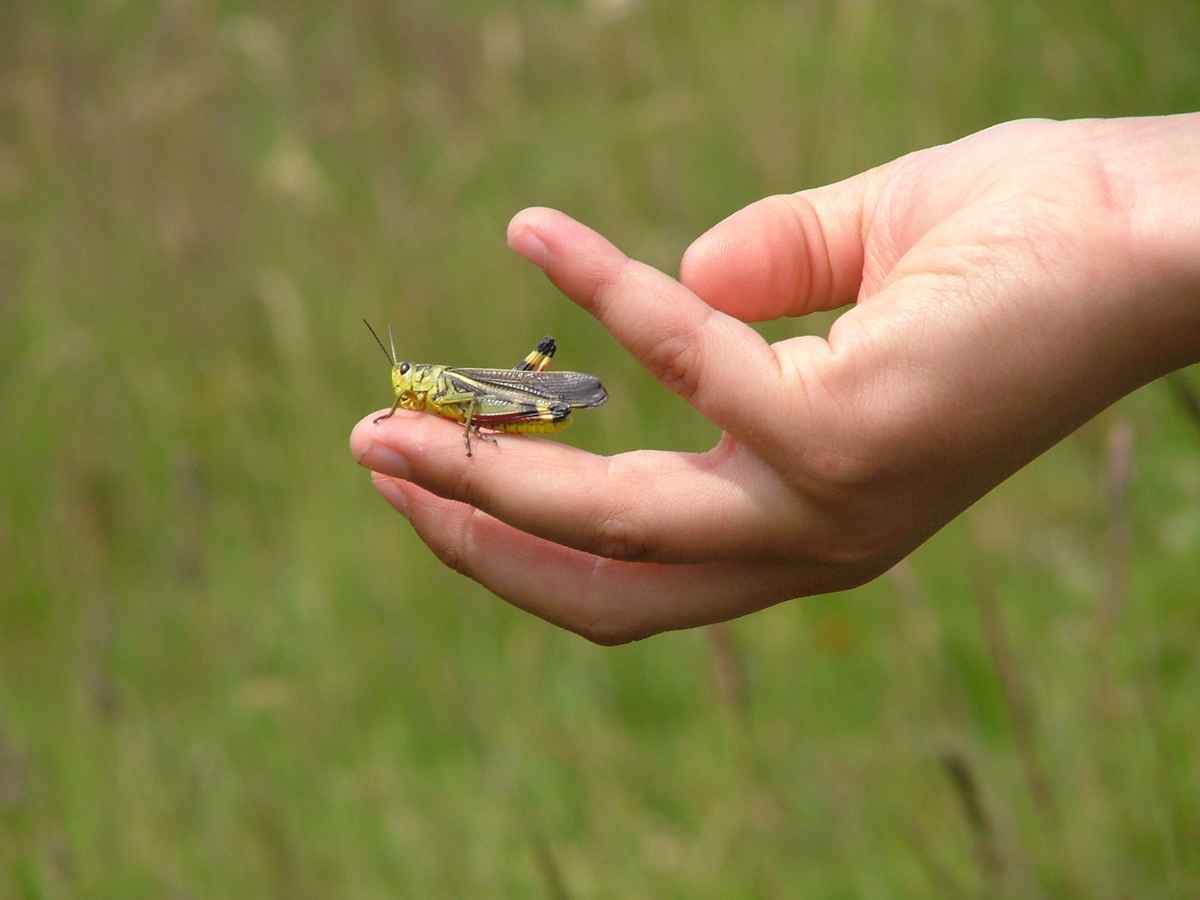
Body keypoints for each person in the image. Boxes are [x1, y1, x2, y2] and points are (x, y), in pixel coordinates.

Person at [350, 114, 1199, 644]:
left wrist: (1114, 216)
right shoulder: (416, 395)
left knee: (512, 386)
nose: (408, 389)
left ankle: (531, 395)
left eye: (410, 381)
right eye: (406, 385)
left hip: (514, 403)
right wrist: (1110, 207)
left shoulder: (445, 391)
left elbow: (464, 402)